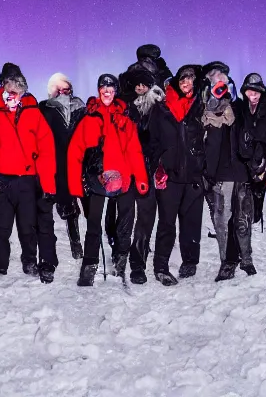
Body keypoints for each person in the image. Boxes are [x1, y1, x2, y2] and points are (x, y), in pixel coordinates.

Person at [0, 66, 58, 283]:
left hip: (27, 181)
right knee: (2, 227)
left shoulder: (32, 110)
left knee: (27, 225)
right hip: (2, 181)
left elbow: (46, 148)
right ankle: (0, 264)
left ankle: (29, 260)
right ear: (3, 86)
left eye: (18, 89)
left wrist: (48, 183)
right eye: (9, 87)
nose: (13, 93)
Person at [67, 74, 149, 286]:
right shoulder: (89, 119)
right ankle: (89, 266)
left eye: (111, 89)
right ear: (98, 90)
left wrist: (141, 178)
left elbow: (134, 151)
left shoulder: (125, 120)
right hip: (98, 181)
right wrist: (75, 185)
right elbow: (75, 153)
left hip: (124, 180)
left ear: (115, 92)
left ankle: (121, 258)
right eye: (103, 88)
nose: (107, 92)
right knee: (94, 226)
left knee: (125, 224)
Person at [150, 64, 207, 284]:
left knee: (191, 222)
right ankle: (161, 266)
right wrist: (157, 167)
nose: (186, 83)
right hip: (170, 175)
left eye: (190, 80)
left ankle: (190, 261)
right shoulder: (162, 109)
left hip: (193, 175)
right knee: (166, 223)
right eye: (183, 79)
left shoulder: (200, 107)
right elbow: (153, 141)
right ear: (176, 82)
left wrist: (203, 168)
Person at [200, 62, 257, 281]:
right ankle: (227, 261)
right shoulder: (204, 105)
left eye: (221, 77)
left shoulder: (240, 106)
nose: (218, 81)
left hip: (241, 171)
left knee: (242, 218)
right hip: (218, 173)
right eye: (213, 78)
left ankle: (246, 258)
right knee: (221, 220)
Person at [121, 65, 164, 284]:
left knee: (146, 219)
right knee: (124, 217)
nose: (140, 88)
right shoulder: (125, 108)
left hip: (150, 171)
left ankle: (138, 264)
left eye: (144, 84)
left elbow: (165, 138)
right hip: (128, 170)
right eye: (136, 84)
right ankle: (119, 254)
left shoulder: (159, 107)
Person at [40, 73, 87, 261]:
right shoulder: (44, 109)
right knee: (61, 203)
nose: (62, 92)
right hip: (55, 161)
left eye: (65, 88)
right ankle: (59, 245)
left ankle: (81, 240)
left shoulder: (81, 108)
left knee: (80, 205)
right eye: (57, 89)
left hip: (78, 162)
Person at [234, 73, 266, 236]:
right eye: (249, 92)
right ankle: (243, 222)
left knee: (257, 192)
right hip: (243, 158)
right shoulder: (240, 108)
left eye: (256, 92)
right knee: (242, 195)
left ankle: (256, 215)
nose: (252, 96)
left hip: (264, 159)